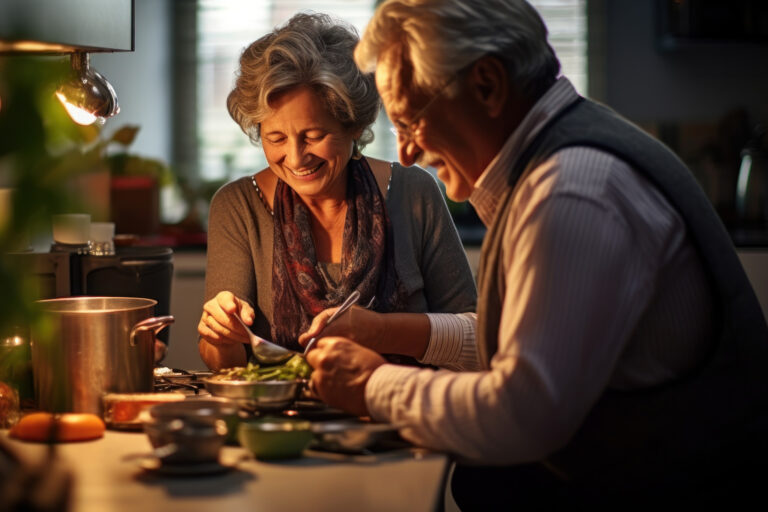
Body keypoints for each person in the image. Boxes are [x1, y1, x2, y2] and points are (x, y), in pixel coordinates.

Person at [304, 0, 768, 506]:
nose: (407, 153)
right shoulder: (561, 158)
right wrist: (381, 332)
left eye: (412, 122)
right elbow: (532, 341)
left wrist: (373, 384)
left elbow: (524, 413)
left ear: (486, 85)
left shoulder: (569, 192)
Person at [197, 12, 477, 371]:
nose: (296, 158)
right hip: (279, 423)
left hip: (402, 412)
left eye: (314, 136)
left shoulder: (413, 191)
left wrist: (381, 331)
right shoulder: (238, 206)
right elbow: (226, 364)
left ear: (353, 125)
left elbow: (472, 337)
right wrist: (221, 336)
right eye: (276, 138)